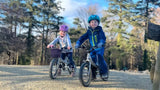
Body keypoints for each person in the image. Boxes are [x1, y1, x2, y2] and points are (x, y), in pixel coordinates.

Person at [75, 15, 108, 80]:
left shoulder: (99, 30)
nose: (93, 23)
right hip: (92, 48)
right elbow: (83, 37)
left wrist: (101, 43)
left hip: (99, 48)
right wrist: (78, 43)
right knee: (91, 60)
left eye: (95, 22)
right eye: (92, 22)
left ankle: (104, 73)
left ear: (98, 23)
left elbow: (102, 37)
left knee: (99, 58)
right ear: (89, 23)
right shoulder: (89, 31)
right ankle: (93, 75)